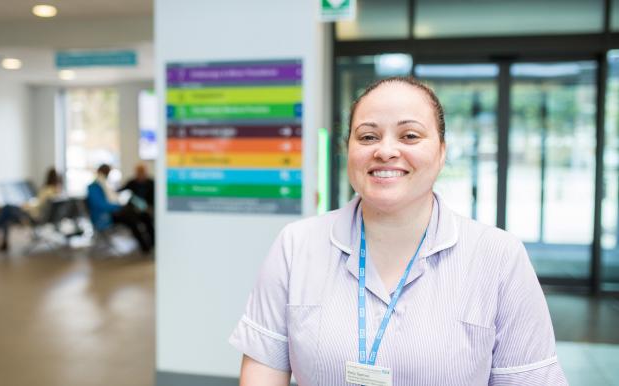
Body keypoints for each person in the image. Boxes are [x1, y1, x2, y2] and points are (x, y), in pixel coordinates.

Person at [229, 77, 567, 385]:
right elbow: (263, 373)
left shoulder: (499, 257)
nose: (386, 150)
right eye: (368, 136)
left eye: (409, 136)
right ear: (349, 149)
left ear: (441, 152)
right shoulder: (296, 245)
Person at [86, 164, 155, 253]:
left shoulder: (104, 185)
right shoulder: (94, 187)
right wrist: (118, 206)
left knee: (144, 216)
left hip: (116, 211)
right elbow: (102, 205)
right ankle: (145, 247)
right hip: (105, 216)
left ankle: (152, 244)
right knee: (132, 218)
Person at [0, 167, 65, 252]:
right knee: (7, 215)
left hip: (34, 217)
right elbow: (42, 206)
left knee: (7, 208)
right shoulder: (58, 192)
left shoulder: (46, 190)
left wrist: (25, 206)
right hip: (44, 218)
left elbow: (38, 207)